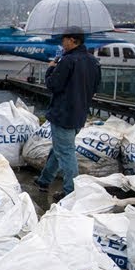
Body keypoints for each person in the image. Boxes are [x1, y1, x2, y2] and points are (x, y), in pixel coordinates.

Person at [36, 25, 101, 200]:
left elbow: (53, 85)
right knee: (59, 149)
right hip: (80, 114)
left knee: (65, 153)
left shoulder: (68, 60)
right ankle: (44, 180)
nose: (62, 42)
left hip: (63, 114)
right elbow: (95, 87)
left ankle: (71, 191)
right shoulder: (93, 61)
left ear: (73, 40)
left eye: (64, 39)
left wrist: (50, 68)